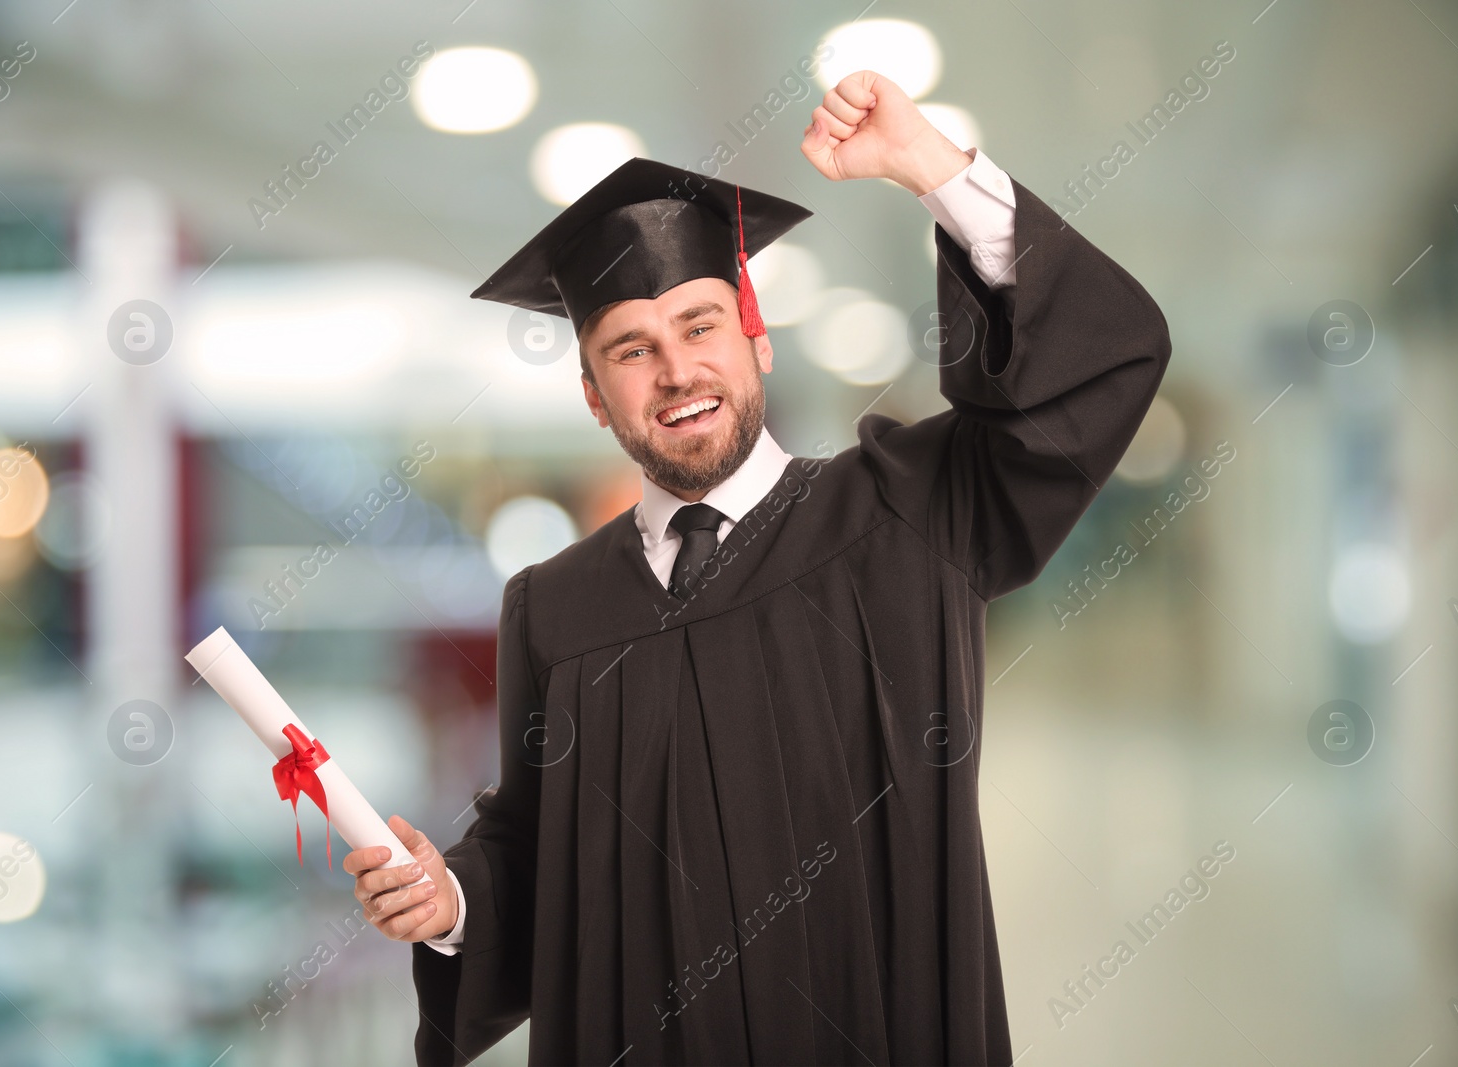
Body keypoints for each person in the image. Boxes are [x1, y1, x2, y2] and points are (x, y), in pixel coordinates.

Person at [344, 69, 1171, 1065]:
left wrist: (931, 168)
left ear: (756, 339)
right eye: (631, 351)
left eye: (699, 326)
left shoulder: (906, 509)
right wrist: (455, 899)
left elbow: (1095, 363)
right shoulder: (551, 608)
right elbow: (535, 845)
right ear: (595, 396)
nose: (677, 371)